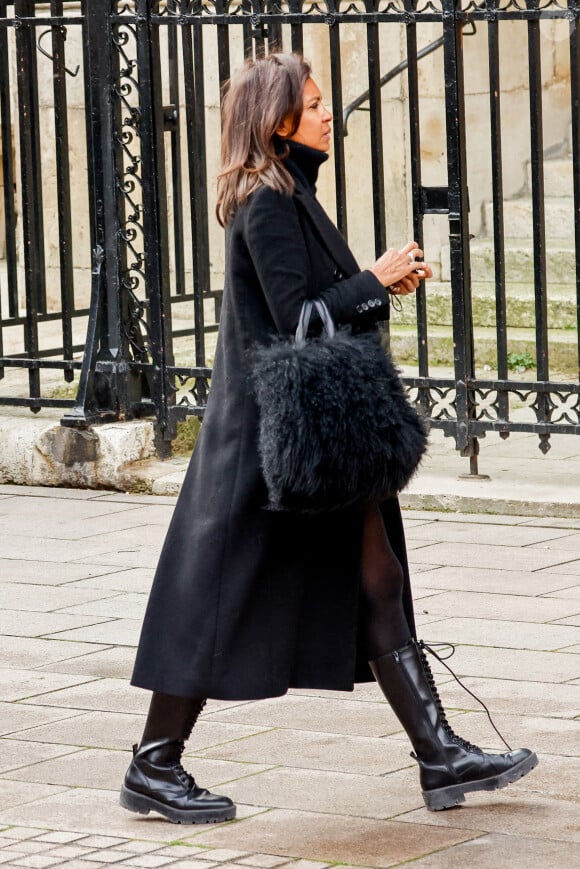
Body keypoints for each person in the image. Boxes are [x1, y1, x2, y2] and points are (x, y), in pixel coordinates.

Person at [120, 52, 537, 824]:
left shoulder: (290, 193)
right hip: (267, 442)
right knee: (212, 595)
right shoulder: (267, 203)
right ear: (276, 120)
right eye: (312, 104)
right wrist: (373, 280)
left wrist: (376, 288)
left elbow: (321, 307)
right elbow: (294, 318)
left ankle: (440, 752)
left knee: (378, 575)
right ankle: (153, 763)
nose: (325, 114)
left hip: (312, 434)